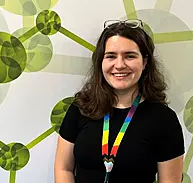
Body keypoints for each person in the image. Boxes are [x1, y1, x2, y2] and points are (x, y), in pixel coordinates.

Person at [54, 19, 185, 183]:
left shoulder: (164, 120)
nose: (119, 65)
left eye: (130, 56)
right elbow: (63, 168)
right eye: (111, 56)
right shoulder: (81, 108)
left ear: (144, 62)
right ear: (101, 62)